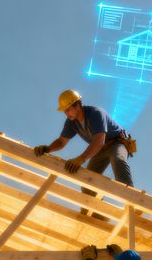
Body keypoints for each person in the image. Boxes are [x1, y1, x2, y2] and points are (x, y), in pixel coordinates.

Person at [33, 90, 133, 219]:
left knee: (118, 159)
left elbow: (99, 140)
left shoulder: (96, 113)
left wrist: (81, 159)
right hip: (100, 149)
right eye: (64, 111)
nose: (66, 113)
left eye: (68, 109)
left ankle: (132, 200)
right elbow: (62, 141)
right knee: (87, 181)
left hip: (117, 143)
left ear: (78, 105)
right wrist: (48, 148)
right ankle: (98, 217)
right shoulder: (71, 122)